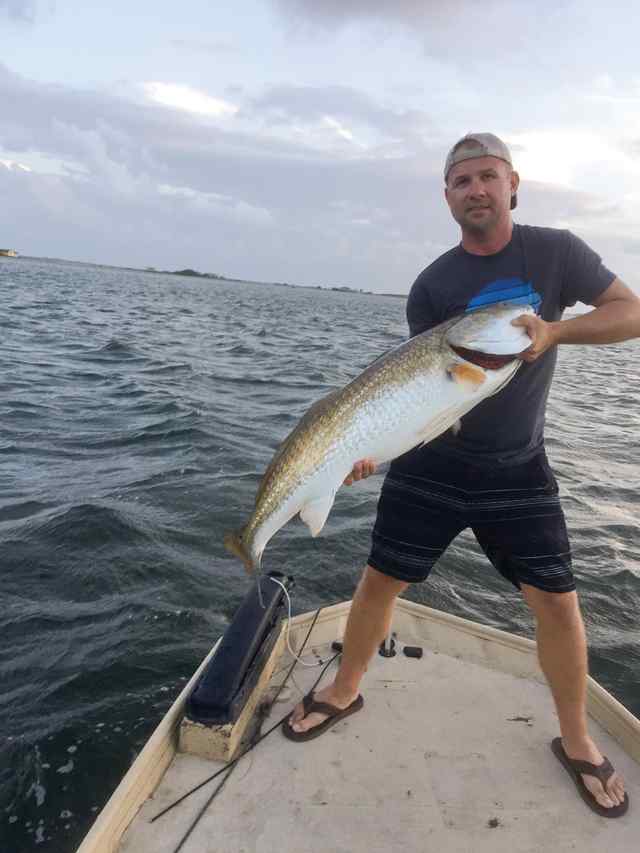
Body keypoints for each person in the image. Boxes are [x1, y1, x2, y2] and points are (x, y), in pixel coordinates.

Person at [283, 132, 640, 816]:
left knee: (558, 602)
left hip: (518, 466)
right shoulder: (433, 285)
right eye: (460, 181)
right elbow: (417, 395)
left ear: (513, 184)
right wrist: (371, 449)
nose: (475, 189)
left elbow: (631, 312)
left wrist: (555, 333)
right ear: (447, 196)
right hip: (432, 461)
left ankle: (576, 740)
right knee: (379, 579)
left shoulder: (556, 251)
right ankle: (344, 688)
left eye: (487, 176)